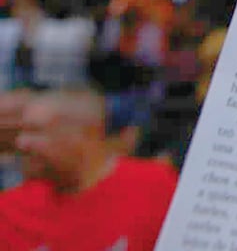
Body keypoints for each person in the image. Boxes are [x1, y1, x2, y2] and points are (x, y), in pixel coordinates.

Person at [0, 86, 178, 251]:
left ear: (85, 134)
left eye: (36, 132)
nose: (21, 143)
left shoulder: (155, 186)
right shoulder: (10, 212)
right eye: (21, 132)